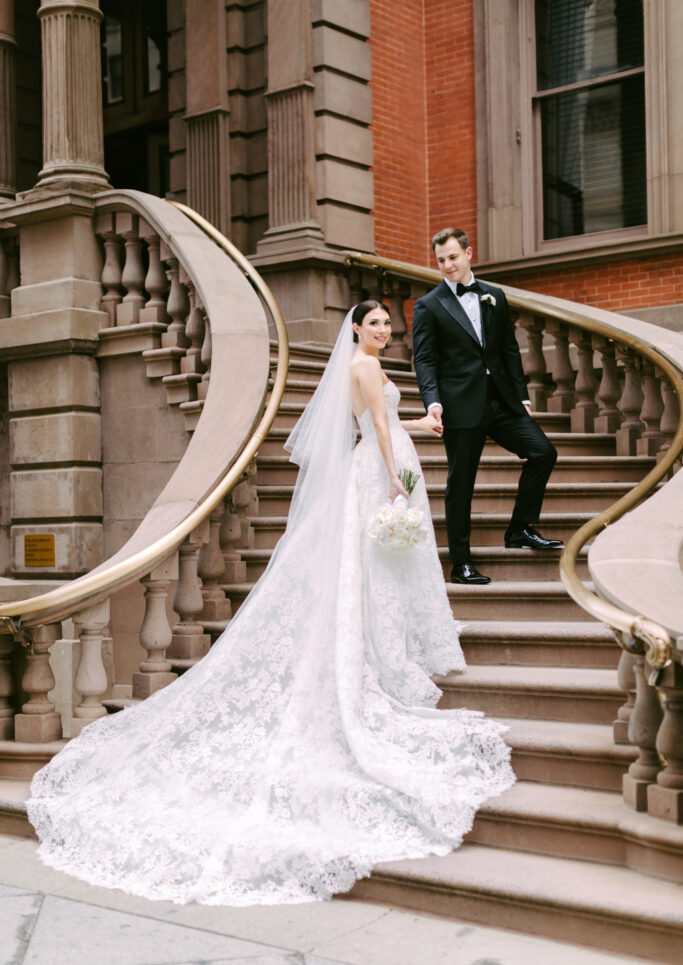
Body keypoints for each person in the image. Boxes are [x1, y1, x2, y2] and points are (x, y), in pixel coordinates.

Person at [27, 301, 514, 907]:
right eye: (376, 322)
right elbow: (378, 433)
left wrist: (422, 430)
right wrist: (395, 477)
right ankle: (376, 659)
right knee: (371, 573)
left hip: (388, 464)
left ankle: (385, 650)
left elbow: (385, 423)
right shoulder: (362, 367)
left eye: (390, 322)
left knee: (378, 573)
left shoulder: (368, 367)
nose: (386, 329)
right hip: (381, 474)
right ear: (356, 328)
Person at [412, 227, 563, 586]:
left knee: (543, 452)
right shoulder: (429, 304)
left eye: (452, 257)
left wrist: (522, 396)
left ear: (468, 254)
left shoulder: (494, 296)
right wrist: (432, 402)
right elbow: (425, 360)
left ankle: (520, 529)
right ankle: (460, 563)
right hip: (460, 405)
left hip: (502, 401)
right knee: (461, 484)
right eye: (441, 260)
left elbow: (509, 350)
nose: (447, 265)